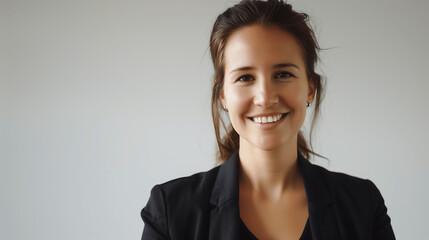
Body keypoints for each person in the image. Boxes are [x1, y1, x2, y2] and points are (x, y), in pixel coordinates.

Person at [141, 0, 396, 239]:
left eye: (283, 74)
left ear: (310, 88)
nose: (265, 97)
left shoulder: (363, 204)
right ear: (223, 96)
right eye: (245, 77)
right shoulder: (169, 211)